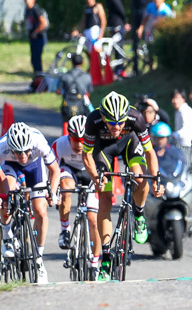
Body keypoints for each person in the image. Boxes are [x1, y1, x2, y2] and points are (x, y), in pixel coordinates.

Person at [80, 91, 163, 281]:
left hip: (129, 144)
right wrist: (95, 177)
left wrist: (156, 179)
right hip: (104, 150)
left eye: (120, 122)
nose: (116, 127)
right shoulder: (93, 120)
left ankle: (139, 215)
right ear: (103, 117)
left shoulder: (136, 118)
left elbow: (150, 152)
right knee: (105, 197)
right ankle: (106, 256)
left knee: (140, 178)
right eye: (112, 122)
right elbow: (87, 155)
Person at [0, 122, 61, 284]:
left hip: (35, 167)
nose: (23, 155)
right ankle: (7, 237)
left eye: (26, 150)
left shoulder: (39, 142)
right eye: (18, 152)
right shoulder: (2, 146)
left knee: (41, 211)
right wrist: (3, 195)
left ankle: (39, 259)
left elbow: (55, 170)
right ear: (10, 147)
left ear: (31, 146)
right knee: (7, 194)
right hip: (10, 166)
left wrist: (53, 193)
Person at [52, 115, 102, 277]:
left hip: (91, 174)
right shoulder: (59, 145)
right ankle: (65, 230)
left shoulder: (97, 144)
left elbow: (105, 169)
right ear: (69, 136)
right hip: (70, 171)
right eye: (75, 139)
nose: (79, 144)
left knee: (94, 220)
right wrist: (55, 191)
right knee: (66, 188)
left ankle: (94, 262)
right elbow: (52, 170)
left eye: (83, 139)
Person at [131, 0, 160, 75]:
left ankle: (151, 64)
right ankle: (136, 65)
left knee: (148, 39)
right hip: (137, 13)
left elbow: (155, 0)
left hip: (147, 14)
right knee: (135, 40)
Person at [57, 53, 93, 124]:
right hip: (81, 107)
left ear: (72, 62)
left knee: (66, 126)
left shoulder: (65, 76)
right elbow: (88, 94)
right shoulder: (87, 76)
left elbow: (58, 91)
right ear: (82, 62)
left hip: (67, 107)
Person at [23, 0, 49, 78]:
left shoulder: (36, 9)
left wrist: (35, 32)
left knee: (37, 58)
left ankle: (40, 78)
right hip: (32, 38)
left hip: (38, 37)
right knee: (33, 59)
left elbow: (43, 23)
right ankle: (36, 76)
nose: (26, 0)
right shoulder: (27, 10)